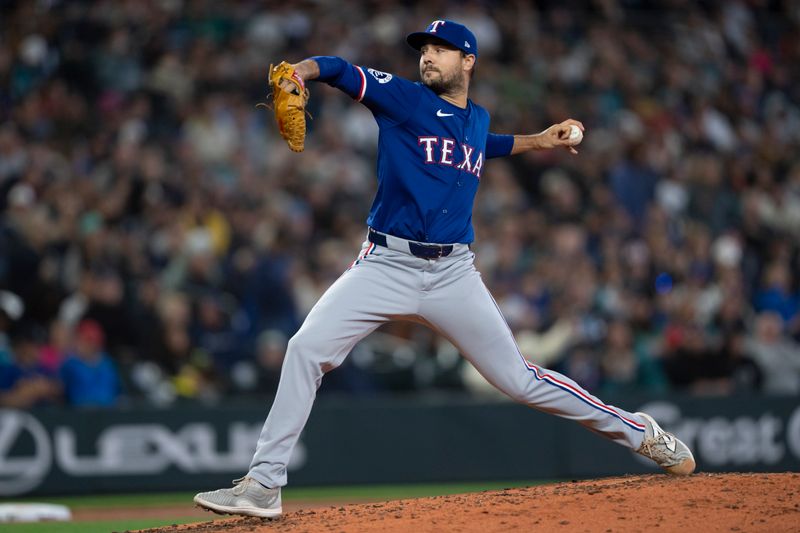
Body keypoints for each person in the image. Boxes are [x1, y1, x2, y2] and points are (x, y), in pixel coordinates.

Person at [194, 20, 695, 518]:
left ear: (469, 61)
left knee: (520, 380)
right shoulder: (405, 100)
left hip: (453, 273)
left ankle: (640, 433)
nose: (429, 55)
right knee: (305, 349)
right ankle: (263, 485)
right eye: (425, 49)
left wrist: (538, 141)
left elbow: (484, 143)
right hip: (385, 265)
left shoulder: (476, 119)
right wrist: (299, 74)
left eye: (442, 49)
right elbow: (340, 69)